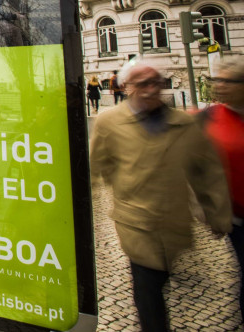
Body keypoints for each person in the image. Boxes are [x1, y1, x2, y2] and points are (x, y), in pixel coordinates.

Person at [90, 61, 231, 332]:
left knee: (162, 276)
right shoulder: (109, 121)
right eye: (143, 84)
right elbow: (96, 166)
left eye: (157, 83)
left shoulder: (184, 123)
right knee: (147, 287)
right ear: (127, 87)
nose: (151, 90)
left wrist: (217, 213)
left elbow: (206, 171)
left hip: (174, 219)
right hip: (134, 221)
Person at [199, 60, 244, 321]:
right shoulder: (209, 116)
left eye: (228, 81)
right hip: (237, 217)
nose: (220, 86)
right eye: (218, 80)